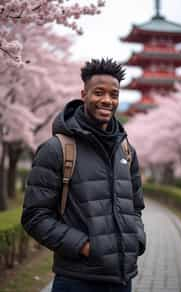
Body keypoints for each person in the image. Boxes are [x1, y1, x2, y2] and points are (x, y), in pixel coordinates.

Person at [21, 58, 146, 292]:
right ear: (84, 94)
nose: (107, 100)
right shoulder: (57, 149)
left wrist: (136, 240)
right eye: (99, 93)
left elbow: (136, 207)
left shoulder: (127, 151)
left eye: (114, 94)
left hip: (122, 278)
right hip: (76, 280)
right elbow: (35, 216)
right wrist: (86, 247)